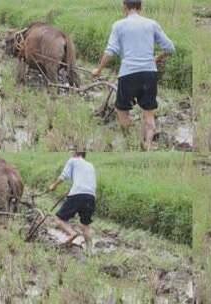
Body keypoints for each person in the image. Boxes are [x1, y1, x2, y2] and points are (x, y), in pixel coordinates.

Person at [92, 0, 176, 151]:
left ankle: (133, 138)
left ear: (124, 7)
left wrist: (98, 70)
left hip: (128, 74)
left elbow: (110, 50)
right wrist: (157, 58)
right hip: (149, 74)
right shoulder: (152, 24)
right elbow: (170, 47)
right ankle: (148, 145)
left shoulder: (119, 25)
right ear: (141, 7)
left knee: (121, 111)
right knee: (149, 114)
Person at [48, 149, 97, 249]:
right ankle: (90, 251)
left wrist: (53, 185)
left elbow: (63, 176)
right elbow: (87, 182)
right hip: (91, 196)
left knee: (58, 219)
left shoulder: (73, 160)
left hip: (77, 194)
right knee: (85, 225)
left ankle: (72, 233)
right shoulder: (90, 165)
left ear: (75, 153)